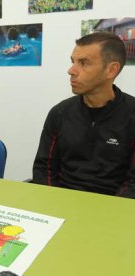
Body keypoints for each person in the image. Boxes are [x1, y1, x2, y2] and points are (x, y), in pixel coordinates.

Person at [32, 31, 135, 198]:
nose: (71, 70)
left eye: (84, 63)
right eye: (73, 62)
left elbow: (133, 185)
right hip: (61, 202)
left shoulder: (131, 115)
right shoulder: (59, 113)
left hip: (113, 209)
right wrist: (55, 205)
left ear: (111, 70)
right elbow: (44, 169)